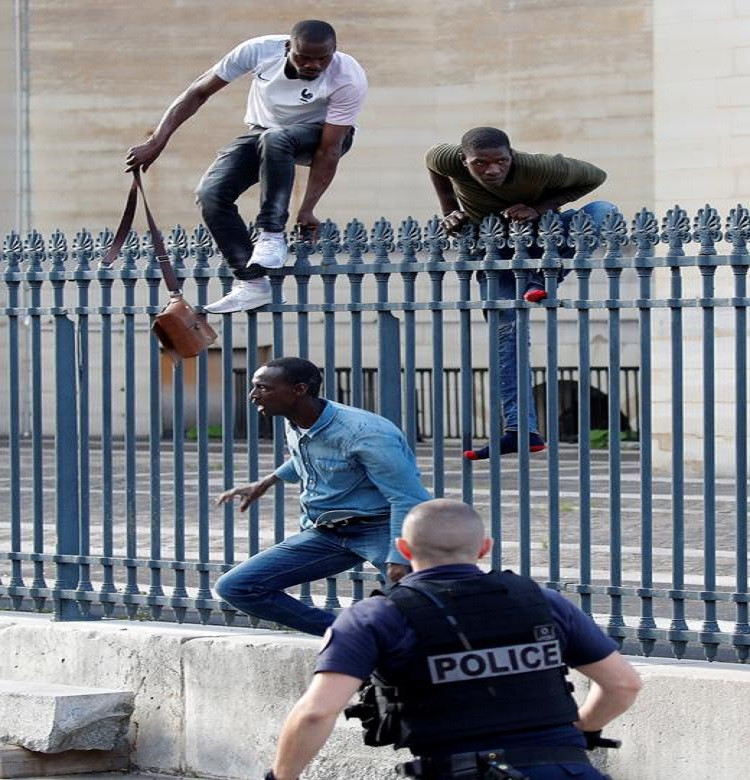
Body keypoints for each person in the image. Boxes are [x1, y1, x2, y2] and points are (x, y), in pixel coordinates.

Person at [266, 499, 641, 780]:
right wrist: (584, 728)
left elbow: (316, 712)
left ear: (405, 549)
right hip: (567, 768)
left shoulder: (376, 617)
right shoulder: (543, 602)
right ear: (484, 548)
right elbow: (623, 684)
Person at [125, 20, 367, 314]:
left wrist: (307, 209)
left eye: (322, 59)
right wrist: (157, 141)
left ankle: (271, 234)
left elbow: (329, 151)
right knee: (211, 194)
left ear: (334, 52)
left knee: (276, 139)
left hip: (321, 137)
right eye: (303, 57)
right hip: (264, 132)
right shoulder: (259, 50)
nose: (313, 65)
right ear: (288, 47)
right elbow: (198, 91)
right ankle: (251, 283)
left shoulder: (347, 77)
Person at [426, 127, 614, 460]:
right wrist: (449, 209)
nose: (492, 170)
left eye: (501, 161)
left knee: (604, 209)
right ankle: (520, 430)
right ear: (463, 160)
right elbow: (432, 162)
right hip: (495, 251)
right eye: (480, 163)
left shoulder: (540, 166)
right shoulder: (446, 157)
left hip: (546, 237)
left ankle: (544, 278)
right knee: (507, 340)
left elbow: (596, 177)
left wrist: (539, 207)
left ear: (511, 155)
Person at [214, 357, 431, 636]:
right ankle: (352, 636)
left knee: (425, 608)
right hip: (327, 533)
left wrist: (399, 556)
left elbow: (408, 498)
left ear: (299, 389)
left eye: (263, 387)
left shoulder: (364, 433)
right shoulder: (295, 420)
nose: (253, 395)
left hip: (380, 527)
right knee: (236, 587)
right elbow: (309, 455)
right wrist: (267, 481)